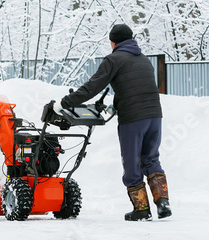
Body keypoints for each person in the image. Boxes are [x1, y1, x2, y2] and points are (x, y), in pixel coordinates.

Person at [53, 24, 172, 221]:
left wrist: (64, 103)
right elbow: (134, 87)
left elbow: (93, 86)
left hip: (133, 119)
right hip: (154, 116)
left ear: (113, 42)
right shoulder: (144, 59)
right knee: (151, 158)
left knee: (132, 162)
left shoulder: (113, 59)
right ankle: (163, 202)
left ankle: (141, 209)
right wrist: (116, 105)